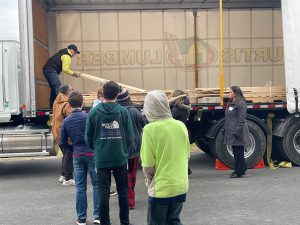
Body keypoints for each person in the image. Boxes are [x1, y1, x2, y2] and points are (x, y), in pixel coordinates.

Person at [85, 81, 135, 225]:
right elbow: (130, 137)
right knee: (123, 192)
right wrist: (123, 148)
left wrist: (98, 148)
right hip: (120, 158)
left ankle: (105, 222)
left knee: (103, 192)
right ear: (117, 94)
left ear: (103, 93)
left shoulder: (94, 112)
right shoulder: (123, 112)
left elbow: (88, 137)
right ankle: (125, 222)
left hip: (102, 159)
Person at [141, 90, 190, 225]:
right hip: (180, 185)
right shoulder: (180, 126)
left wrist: (150, 182)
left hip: (161, 188)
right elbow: (187, 154)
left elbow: (148, 164)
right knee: (173, 221)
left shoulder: (150, 129)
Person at [60, 91, 100, 225]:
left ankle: (81, 217)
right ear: (83, 103)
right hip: (92, 154)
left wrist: (73, 149)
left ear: (69, 105)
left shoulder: (66, 121)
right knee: (96, 185)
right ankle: (98, 216)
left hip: (77, 155)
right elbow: (96, 135)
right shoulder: (89, 117)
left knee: (80, 187)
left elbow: (62, 142)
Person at [116, 87, 147, 210]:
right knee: (131, 175)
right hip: (133, 149)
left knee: (122, 174)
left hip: (119, 148)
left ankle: (125, 196)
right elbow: (144, 124)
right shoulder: (134, 111)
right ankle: (130, 200)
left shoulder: (116, 111)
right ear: (128, 98)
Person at [224, 86, 250, 178]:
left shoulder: (241, 103)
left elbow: (241, 119)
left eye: (230, 92)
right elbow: (229, 118)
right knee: (236, 151)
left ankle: (238, 171)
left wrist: (236, 131)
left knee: (238, 152)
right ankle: (241, 169)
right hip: (232, 130)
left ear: (235, 93)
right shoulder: (231, 103)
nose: (228, 94)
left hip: (238, 131)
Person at [52, 84, 75, 186]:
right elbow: (71, 120)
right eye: (71, 90)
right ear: (67, 92)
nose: (72, 91)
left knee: (65, 154)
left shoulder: (57, 102)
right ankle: (68, 178)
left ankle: (63, 175)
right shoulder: (67, 104)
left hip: (57, 133)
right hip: (64, 134)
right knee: (69, 155)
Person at [170, 90, 193, 176]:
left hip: (177, 133)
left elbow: (169, 118)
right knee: (181, 152)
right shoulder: (184, 107)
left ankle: (184, 170)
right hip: (183, 131)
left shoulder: (176, 109)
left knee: (177, 153)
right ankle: (186, 170)